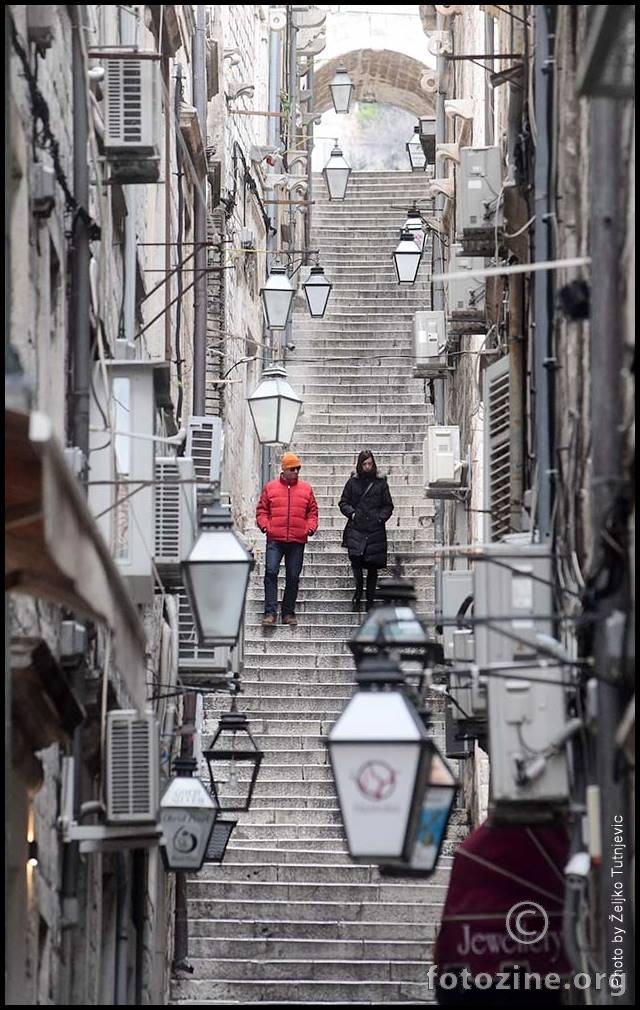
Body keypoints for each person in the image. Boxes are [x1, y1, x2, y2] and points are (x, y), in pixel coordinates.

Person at [256, 451, 319, 628]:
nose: (296, 472)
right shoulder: (271, 487)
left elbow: (312, 512)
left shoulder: (306, 489)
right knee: (271, 572)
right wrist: (266, 526)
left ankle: (288, 613)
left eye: (298, 468)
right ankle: (270, 613)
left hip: (297, 540)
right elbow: (262, 511)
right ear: (284, 470)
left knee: (293, 576)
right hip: (275, 539)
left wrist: (309, 528)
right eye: (293, 469)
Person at [338, 449, 394, 611]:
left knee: (372, 567)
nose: (368, 467)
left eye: (370, 463)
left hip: (374, 530)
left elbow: (388, 505)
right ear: (360, 465)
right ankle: (358, 592)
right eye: (365, 464)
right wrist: (353, 514)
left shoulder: (380, 483)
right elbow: (343, 502)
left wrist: (380, 518)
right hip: (357, 528)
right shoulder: (352, 482)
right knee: (356, 561)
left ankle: (369, 600)